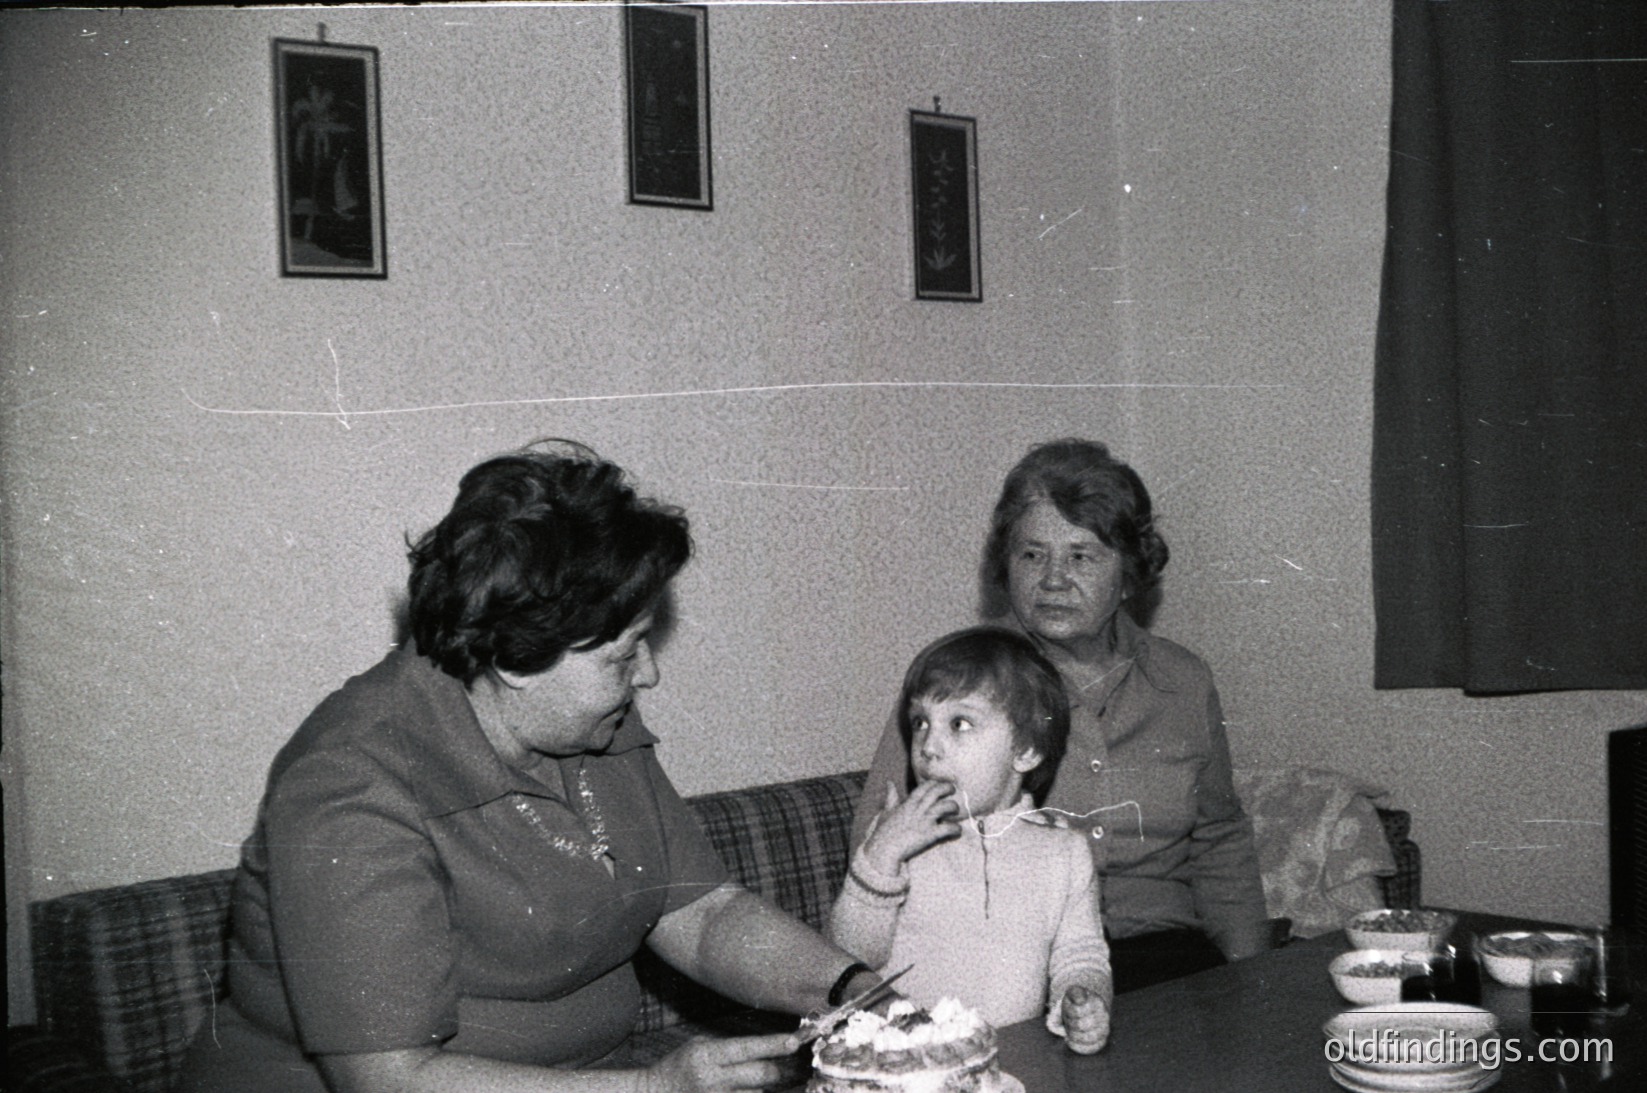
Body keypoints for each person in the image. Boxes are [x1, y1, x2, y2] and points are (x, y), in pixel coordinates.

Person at [182, 441, 887, 1093]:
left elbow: (702, 913)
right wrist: (649, 1087)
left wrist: (853, 988)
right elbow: (390, 1077)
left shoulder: (585, 724)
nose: (648, 675)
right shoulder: (352, 783)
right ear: (518, 656)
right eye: (623, 654)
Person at [850, 439, 1270, 994]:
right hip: (1006, 964)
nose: (1052, 579)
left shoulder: (1183, 680)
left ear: (1128, 574)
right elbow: (878, 836)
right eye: (1031, 554)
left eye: (1081, 556)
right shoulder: (956, 681)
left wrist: (1255, 979)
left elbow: (1219, 839)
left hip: (1165, 955)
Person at [829, 627, 1113, 1053]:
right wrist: (881, 857)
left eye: (958, 723)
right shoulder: (897, 835)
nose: (927, 745)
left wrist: (1083, 1000)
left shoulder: (1063, 852)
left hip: (1010, 1063)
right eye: (920, 722)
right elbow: (846, 957)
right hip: (899, 1063)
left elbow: (1081, 954)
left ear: (1026, 751)